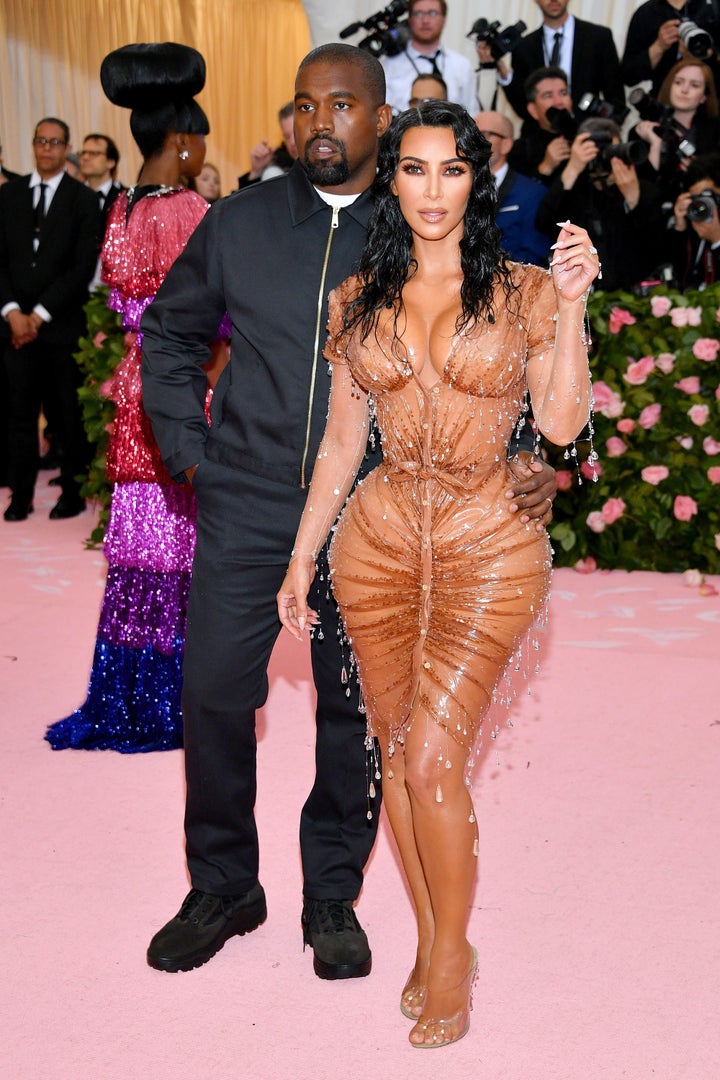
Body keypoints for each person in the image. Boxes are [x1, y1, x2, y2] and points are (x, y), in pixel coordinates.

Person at [139, 44, 558, 984]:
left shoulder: (421, 220)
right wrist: (192, 454)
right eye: (302, 106)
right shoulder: (240, 222)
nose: (317, 122)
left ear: (381, 117)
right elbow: (168, 335)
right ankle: (222, 885)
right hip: (245, 499)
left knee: (355, 714)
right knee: (210, 691)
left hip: (375, 515)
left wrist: (542, 458)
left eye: (340, 105)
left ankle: (332, 890)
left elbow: (507, 351)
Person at [277, 100, 596, 1048]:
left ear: (475, 178)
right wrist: (301, 560)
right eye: (412, 170)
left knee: (431, 758)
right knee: (395, 760)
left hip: (490, 541)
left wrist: (575, 311)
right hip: (375, 542)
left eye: (449, 170)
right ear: (392, 179)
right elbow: (340, 444)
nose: (430, 190)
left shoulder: (530, 291)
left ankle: (453, 957)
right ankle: (430, 934)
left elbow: (566, 424)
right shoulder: (357, 300)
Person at [45, 42, 215, 752]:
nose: (205, 147)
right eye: (200, 136)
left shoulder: (120, 206)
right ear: (181, 141)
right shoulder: (189, 210)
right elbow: (218, 315)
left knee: (140, 553)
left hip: (136, 390)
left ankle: (127, 698)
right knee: (179, 550)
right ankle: (171, 703)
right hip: (183, 389)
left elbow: (123, 303)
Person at [0, 117, 101, 522]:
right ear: (33, 145)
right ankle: (20, 494)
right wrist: (12, 312)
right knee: (18, 414)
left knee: (67, 415)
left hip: (60, 326)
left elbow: (81, 268)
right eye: (40, 141)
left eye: (55, 142)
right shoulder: (10, 196)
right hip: (13, 328)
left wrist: (38, 315)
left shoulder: (82, 199)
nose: (46, 148)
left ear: (66, 147)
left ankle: (72, 494)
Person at [535, 117, 665, 290]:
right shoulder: (572, 189)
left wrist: (633, 199)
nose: (605, 156)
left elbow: (657, 244)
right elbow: (543, 222)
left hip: (632, 292)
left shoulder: (643, 188)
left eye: (611, 149)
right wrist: (573, 167)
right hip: (581, 291)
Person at [501, 0, 625, 123]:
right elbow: (524, 107)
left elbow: (616, 100)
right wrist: (501, 71)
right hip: (542, 138)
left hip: (589, 133)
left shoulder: (599, 38)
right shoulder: (523, 47)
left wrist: (604, 133)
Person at [633, 58, 720, 205]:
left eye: (694, 85)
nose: (684, 90)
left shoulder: (714, 132)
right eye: (678, 82)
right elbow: (641, 189)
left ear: (704, 96)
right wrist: (655, 145)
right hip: (654, 213)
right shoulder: (644, 130)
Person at [475, 109, 551, 264]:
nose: (475, 142)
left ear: (506, 144)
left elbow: (534, 255)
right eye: (471, 135)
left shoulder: (532, 193)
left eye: (484, 135)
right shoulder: (455, 186)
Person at [381, 0, 476, 115]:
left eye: (432, 13)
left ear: (444, 19)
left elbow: (472, 114)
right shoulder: (388, 67)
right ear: (410, 20)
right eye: (418, 14)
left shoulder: (462, 66)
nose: (425, 21)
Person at [622, 0, 720, 96]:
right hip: (661, 102)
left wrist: (704, 55)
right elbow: (629, 76)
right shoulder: (646, 12)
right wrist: (659, 46)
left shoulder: (713, 8)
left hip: (710, 101)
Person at [507, 66, 574, 185]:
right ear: (533, 110)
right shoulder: (520, 151)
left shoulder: (586, 137)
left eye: (563, 93)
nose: (559, 102)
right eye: (548, 95)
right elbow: (519, 199)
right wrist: (545, 167)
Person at [667, 151, 720, 288]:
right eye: (697, 199)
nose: (703, 205)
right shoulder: (696, 224)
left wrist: (717, 241)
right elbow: (678, 274)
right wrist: (680, 227)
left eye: (708, 196)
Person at [237, 102, 297, 188]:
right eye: (287, 137)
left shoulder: (322, 159)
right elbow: (243, 200)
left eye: (296, 133)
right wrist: (256, 172)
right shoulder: (277, 165)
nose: (292, 142)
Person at [80, 133, 124, 220]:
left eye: (93, 153)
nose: (85, 157)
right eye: (83, 153)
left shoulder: (123, 198)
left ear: (111, 162)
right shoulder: (72, 195)